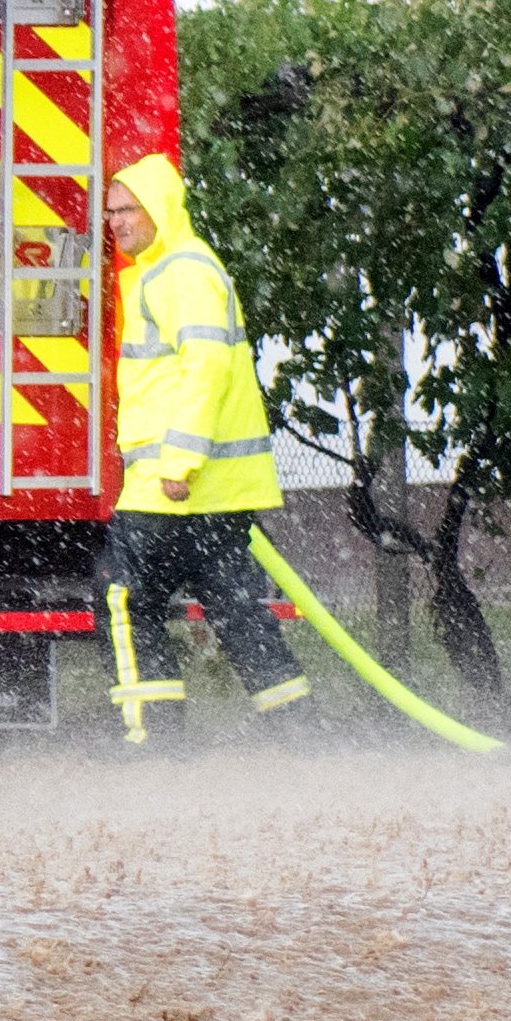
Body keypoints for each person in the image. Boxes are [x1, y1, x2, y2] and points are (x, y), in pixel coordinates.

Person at [99, 155, 307, 736]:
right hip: (214, 488)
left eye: (127, 210)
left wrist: (179, 462)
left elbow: (205, 369)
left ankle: (155, 738)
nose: (116, 222)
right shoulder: (170, 268)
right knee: (236, 611)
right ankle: (301, 734)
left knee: (122, 597)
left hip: (176, 484)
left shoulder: (181, 272)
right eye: (111, 212)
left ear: (158, 209)